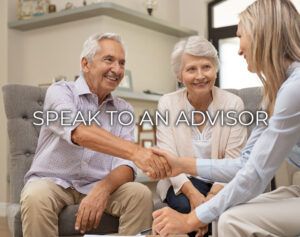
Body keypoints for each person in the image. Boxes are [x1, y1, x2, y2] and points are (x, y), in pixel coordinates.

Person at [152, 0, 300, 236]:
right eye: (191, 69)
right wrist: (181, 165)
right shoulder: (273, 94)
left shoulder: (294, 89)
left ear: (262, 35)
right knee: (225, 215)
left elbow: (255, 175)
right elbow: (245, 164)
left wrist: (191, 219)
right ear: (179, 75)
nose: (239, 48)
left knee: (230, 219)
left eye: (241, 36)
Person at [20, 33, 170, 237]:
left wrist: (102, 189)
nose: (117, 69)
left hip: (96, 183)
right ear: (85, 64)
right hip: (53, 182)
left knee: (140, 194)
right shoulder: (60, 92)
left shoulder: (123, 109)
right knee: (35, 196)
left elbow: (125, 166)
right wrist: (136, 152)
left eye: (122, 63)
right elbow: (79, 132)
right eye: (109, 60)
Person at [156, 36, 247, 234]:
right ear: (179, 75)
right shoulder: (167, 104)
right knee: (187, 206)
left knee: (220, 211)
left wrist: (211, 198)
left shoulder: (233, 104)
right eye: (191, 69)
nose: (200, 76)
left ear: (215, 69)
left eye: (206, 67)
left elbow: (234, 160)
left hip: (223, 183)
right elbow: (167, 158)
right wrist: (196, 197)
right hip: (182, 182)